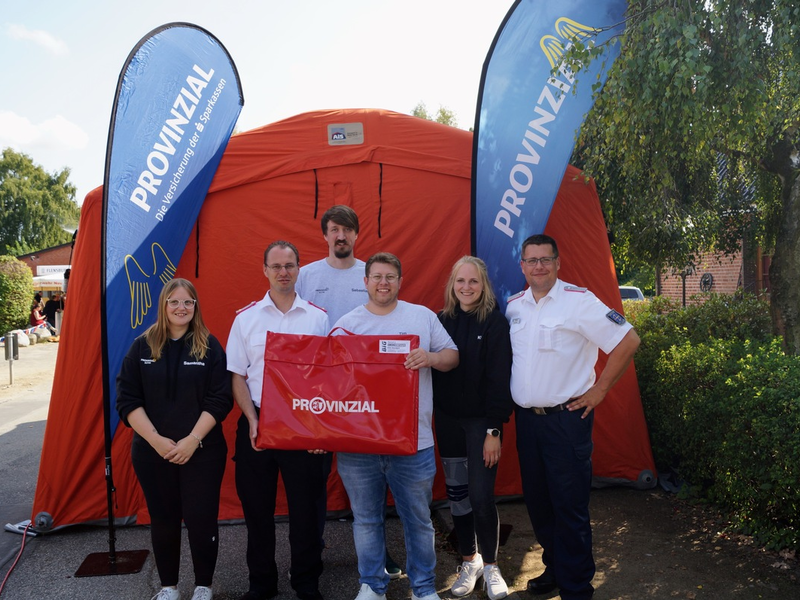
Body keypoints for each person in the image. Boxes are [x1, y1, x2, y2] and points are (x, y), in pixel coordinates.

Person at [506, 234, 640, 600]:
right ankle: (556, 568)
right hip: (528, 423)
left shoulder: (579, 302)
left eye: (545, 259)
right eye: (531, 261)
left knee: (570, 506)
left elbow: (628, 340)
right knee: (538, 502)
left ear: (558, 262)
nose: (538, 267)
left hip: (566, 420)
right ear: (522, 266)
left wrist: (598, 392)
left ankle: (577, 587)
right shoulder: (514, 306)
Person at [333, 252, 459, 600]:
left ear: (400, 281)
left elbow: (452, 357)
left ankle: (422, 589)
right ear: (366, 282)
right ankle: (372, 586)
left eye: (390, 277)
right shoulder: (346, 324)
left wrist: (430, 358)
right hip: (359, 446)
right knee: (366, 520)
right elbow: (328, 380)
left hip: (413, 443)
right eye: (376, 277)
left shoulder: (422, 317)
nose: (383, 283)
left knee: (418, 520)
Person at [295, 205, 403, 579]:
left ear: (357, 235)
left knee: (375, 472)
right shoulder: (306, 275)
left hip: (366, 389)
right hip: (322, 388)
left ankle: (381, 553)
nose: (341, 236)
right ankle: (313, 550)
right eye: (334, 229)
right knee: (315, 472)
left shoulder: (370, 273)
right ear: (324, 235)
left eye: (347, 230)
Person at [116, 278, 233, 600]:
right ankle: (168, 587)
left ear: (195, 307)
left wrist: (192, 440)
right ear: (164, 306)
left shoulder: (210, 346)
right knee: (164, 519)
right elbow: (127, 399)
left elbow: (220, 400)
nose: (181, 308)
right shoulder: (142, 346)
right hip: (153, 452)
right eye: (175, 302)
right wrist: (156, 440)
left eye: (188, 302)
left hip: (202, 451)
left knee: (201, 519)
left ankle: (203, 586)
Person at [227, 241, 330, 600]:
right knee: (257, 512)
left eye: (290, 265)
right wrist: (252, 419)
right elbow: (237, 375)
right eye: (277, 266)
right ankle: (262, 584)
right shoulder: (246, 318)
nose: (283, 272)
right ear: (265, 270)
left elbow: (327, 379)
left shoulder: (318, 318)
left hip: (305, 426)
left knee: (306, 512)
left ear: (299, 269)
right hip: (258, 423)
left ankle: (306, 582)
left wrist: (320, 431)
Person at [431, 256, 513, 600]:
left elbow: (499, 379)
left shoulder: (494, 323)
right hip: (448, 421)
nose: (466, 287)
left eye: (474, 282)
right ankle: (470, 560)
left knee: (480, 496)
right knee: (458, 497)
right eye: (460, 281)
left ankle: (492, 566)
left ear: (483, 286)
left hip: (482, 423)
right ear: (452, 284)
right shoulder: (439, 320)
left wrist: (494, 431)